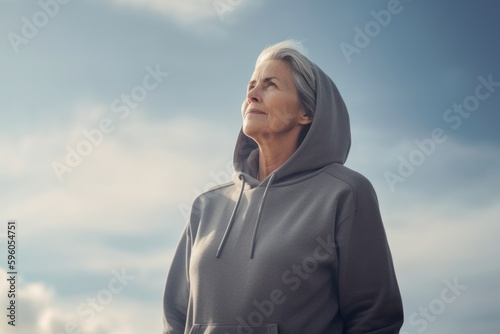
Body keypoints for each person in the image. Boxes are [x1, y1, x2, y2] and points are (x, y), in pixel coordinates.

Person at [163, 40, 404, 334]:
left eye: (270, 85)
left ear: (307, 113)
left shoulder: (345, 194)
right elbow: (175, 317)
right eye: (251, 86)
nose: (252, 94)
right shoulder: (207, 205)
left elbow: (374, 319)